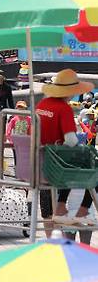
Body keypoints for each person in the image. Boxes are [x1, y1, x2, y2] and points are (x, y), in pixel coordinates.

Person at [37, 69, 95, 240]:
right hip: (55, 165)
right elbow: (71, 141)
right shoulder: (64, 109)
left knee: (72, 161)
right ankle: (83, 211)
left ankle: (62, 206)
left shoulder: (41, 105)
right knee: (92, 168)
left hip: (40, 161)